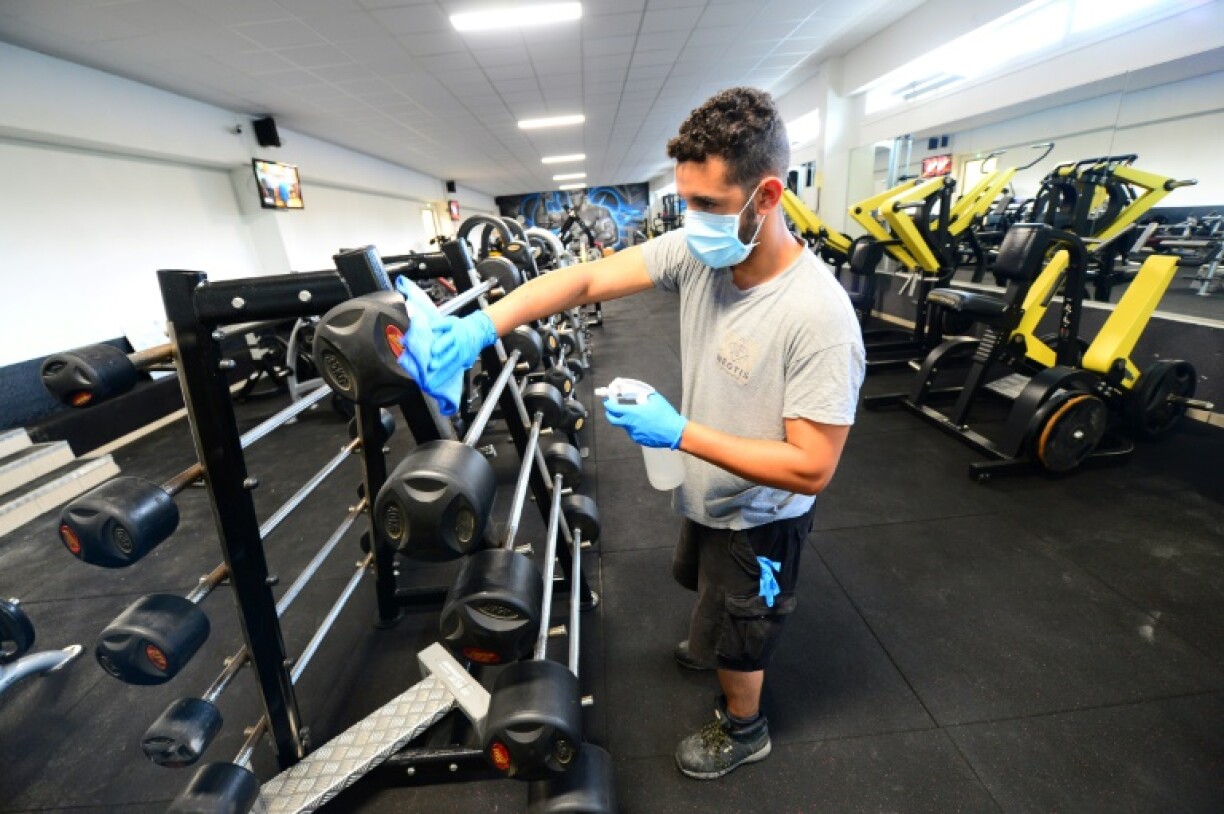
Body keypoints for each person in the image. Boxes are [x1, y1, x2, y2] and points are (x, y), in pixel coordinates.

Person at [420, 87, 865, 779]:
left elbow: (811, 467)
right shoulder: (701, 251)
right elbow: (589, 276)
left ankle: (745, 726)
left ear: (767, 195)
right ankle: (711, 638)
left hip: (763, 514)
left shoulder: (819, 317)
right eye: (687, 202)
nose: (694, 221)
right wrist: (483, 324)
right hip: (709, 488)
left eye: (710, 205)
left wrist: (680, 431)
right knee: (705, 584)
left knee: (746, 627)